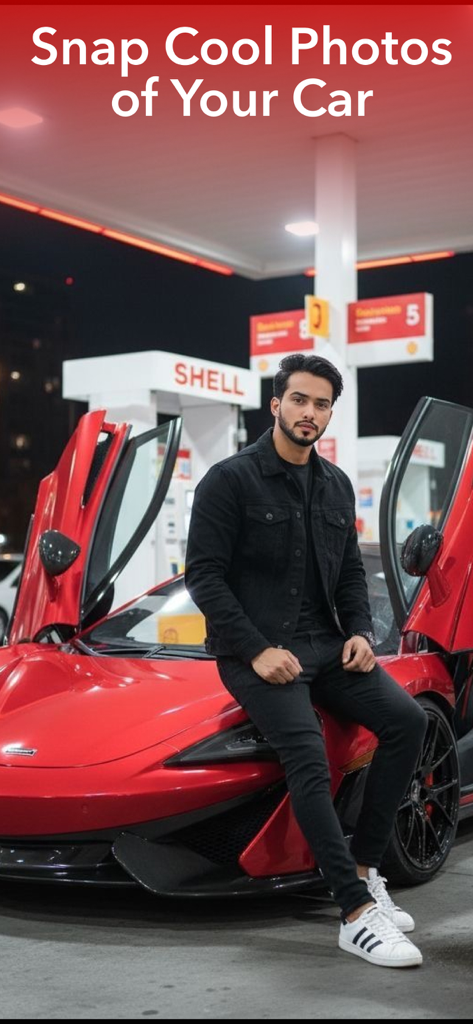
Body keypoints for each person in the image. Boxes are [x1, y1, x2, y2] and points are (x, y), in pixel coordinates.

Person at [185, 353, 427, 968]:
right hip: (255, 654)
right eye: (300, 400)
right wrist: (257, 650)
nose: (310, 413)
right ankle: (352, 913)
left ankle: (368, 869)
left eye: (321, 404)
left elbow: (349, 571)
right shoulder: (229, 480)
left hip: (328, 646)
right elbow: (205, 578)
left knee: (409, 721)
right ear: (276, 404)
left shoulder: (337, 485)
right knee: (309, 754)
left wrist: (362, 632)